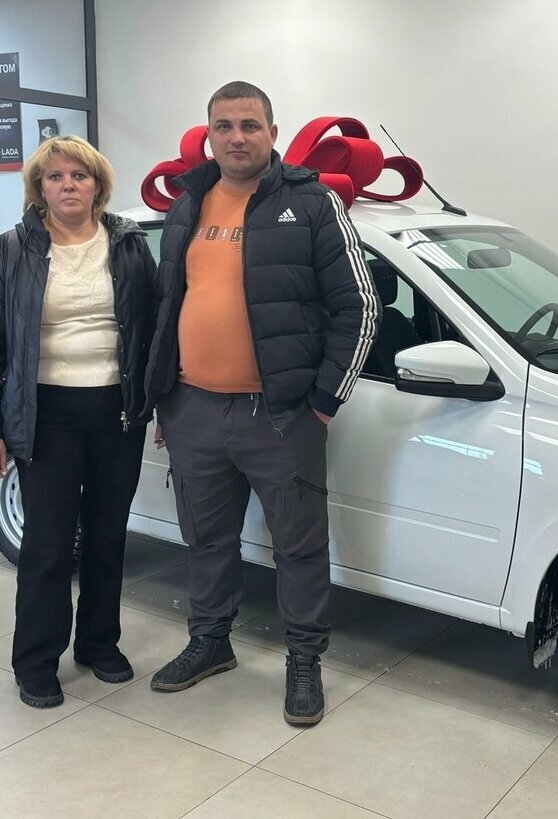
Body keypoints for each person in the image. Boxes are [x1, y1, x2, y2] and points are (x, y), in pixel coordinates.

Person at [145, 81, 379, 726]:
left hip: (280, 416)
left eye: (250, 125)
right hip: (193, 409)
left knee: (298, 547)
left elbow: (360, 306)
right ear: (209, 135)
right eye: (223, 126)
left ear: (272, 133)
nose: (237, 137)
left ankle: (304, 660)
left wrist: (323, 400)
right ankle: (209, 641)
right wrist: (164, 398)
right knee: (205, 539)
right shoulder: (188, 203)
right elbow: (167, 306)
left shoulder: (312, 203)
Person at [0, 135, 156, 708]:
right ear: (39, 188)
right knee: (47, 543)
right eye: (55, 177)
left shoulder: (128, 244)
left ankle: (99, 643)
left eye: (79, 175)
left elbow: (152, 330)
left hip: (117, 410)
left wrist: (158, 402)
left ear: (98, 185)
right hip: (44, 412)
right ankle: (36, 660)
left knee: (107, 534)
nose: (68, 185)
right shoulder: (8, 251)